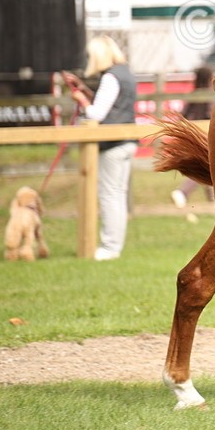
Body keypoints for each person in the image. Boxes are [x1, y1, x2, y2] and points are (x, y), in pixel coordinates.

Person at [62, 35, 137, 261]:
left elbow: (97, 113)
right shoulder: (125, 73)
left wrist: (81, 100)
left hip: (112, 144)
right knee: (118, 194)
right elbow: (113, 105)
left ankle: (109, 247)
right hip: (127, 141)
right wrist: (86, 92)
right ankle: (115, 245)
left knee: (109, 195)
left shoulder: (111, 77)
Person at [171, 65, 215, 217]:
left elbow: (183, 115)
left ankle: (212, 201)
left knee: (208, 167)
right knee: (207, 165)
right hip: (208, 135)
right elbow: (213, 115)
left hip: (194, 135)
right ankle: (182, 192)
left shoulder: (193, 95)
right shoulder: (211, 95)